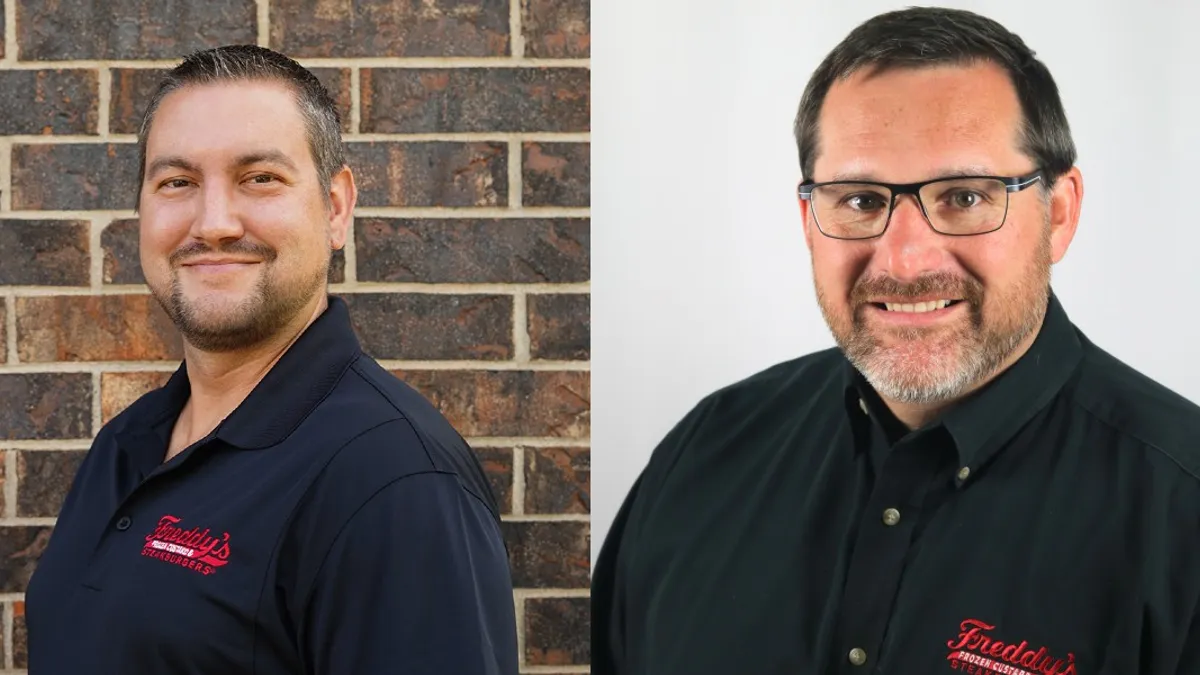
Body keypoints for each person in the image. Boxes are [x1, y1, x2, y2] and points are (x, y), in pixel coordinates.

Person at [592, 7, 1200, 675]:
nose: (905, 260)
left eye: (964, 197)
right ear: (808, 219)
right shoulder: (702, 457)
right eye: (859, 200)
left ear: (1058, 213)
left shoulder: (1181, 512)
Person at [24, 45, 519, 675]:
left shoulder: (395, 482)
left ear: (335, 207)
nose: (216, 223)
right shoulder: (125, 445)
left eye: (259, 177)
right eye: (177, 182)